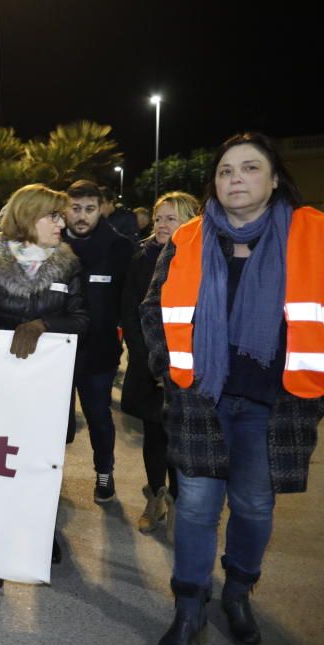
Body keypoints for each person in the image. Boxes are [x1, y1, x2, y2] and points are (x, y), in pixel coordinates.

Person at [140, 132, 324, 645]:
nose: (234, 179)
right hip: (202, 400)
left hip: (275, 405)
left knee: (253, 505)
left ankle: (238, 592)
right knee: (195, 505)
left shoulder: (319, 236)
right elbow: (155, 311)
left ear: (273, 179)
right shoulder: (188, 239)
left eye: (248, 168)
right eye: (225, 171)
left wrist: (323, 391)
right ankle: (189, 604)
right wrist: (168, 372)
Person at [0, 184, 88, 610]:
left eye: (62, 217)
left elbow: (83, 318)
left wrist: (43, 325)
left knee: (39, 465)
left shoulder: (68, 264)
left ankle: (39, 531)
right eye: (53, 216)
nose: (61, 224)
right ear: (28, 218)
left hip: (46, 385)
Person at [120, 192, 199, 537]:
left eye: (172, 218)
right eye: (158, 218)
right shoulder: (141, 256)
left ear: (190, 222)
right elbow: (130, 312)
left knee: (181, 438)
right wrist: (150, 359)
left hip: (188, 365)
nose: (162, 225)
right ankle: (155, 497)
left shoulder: (204, 256)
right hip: (147, 361)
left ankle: (180, 502)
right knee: (154, 433)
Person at [63, 180, 134, 503]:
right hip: (55, 355)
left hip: (100, 353)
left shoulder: (119, 247)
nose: (82, 216)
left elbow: (128, 303)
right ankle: (50, 480)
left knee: (98, 418)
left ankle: (104, 472)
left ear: (101, 209)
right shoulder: (52, 244)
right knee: (53, 424)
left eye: (89, 209)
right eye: (75, 208)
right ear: (65, 208)